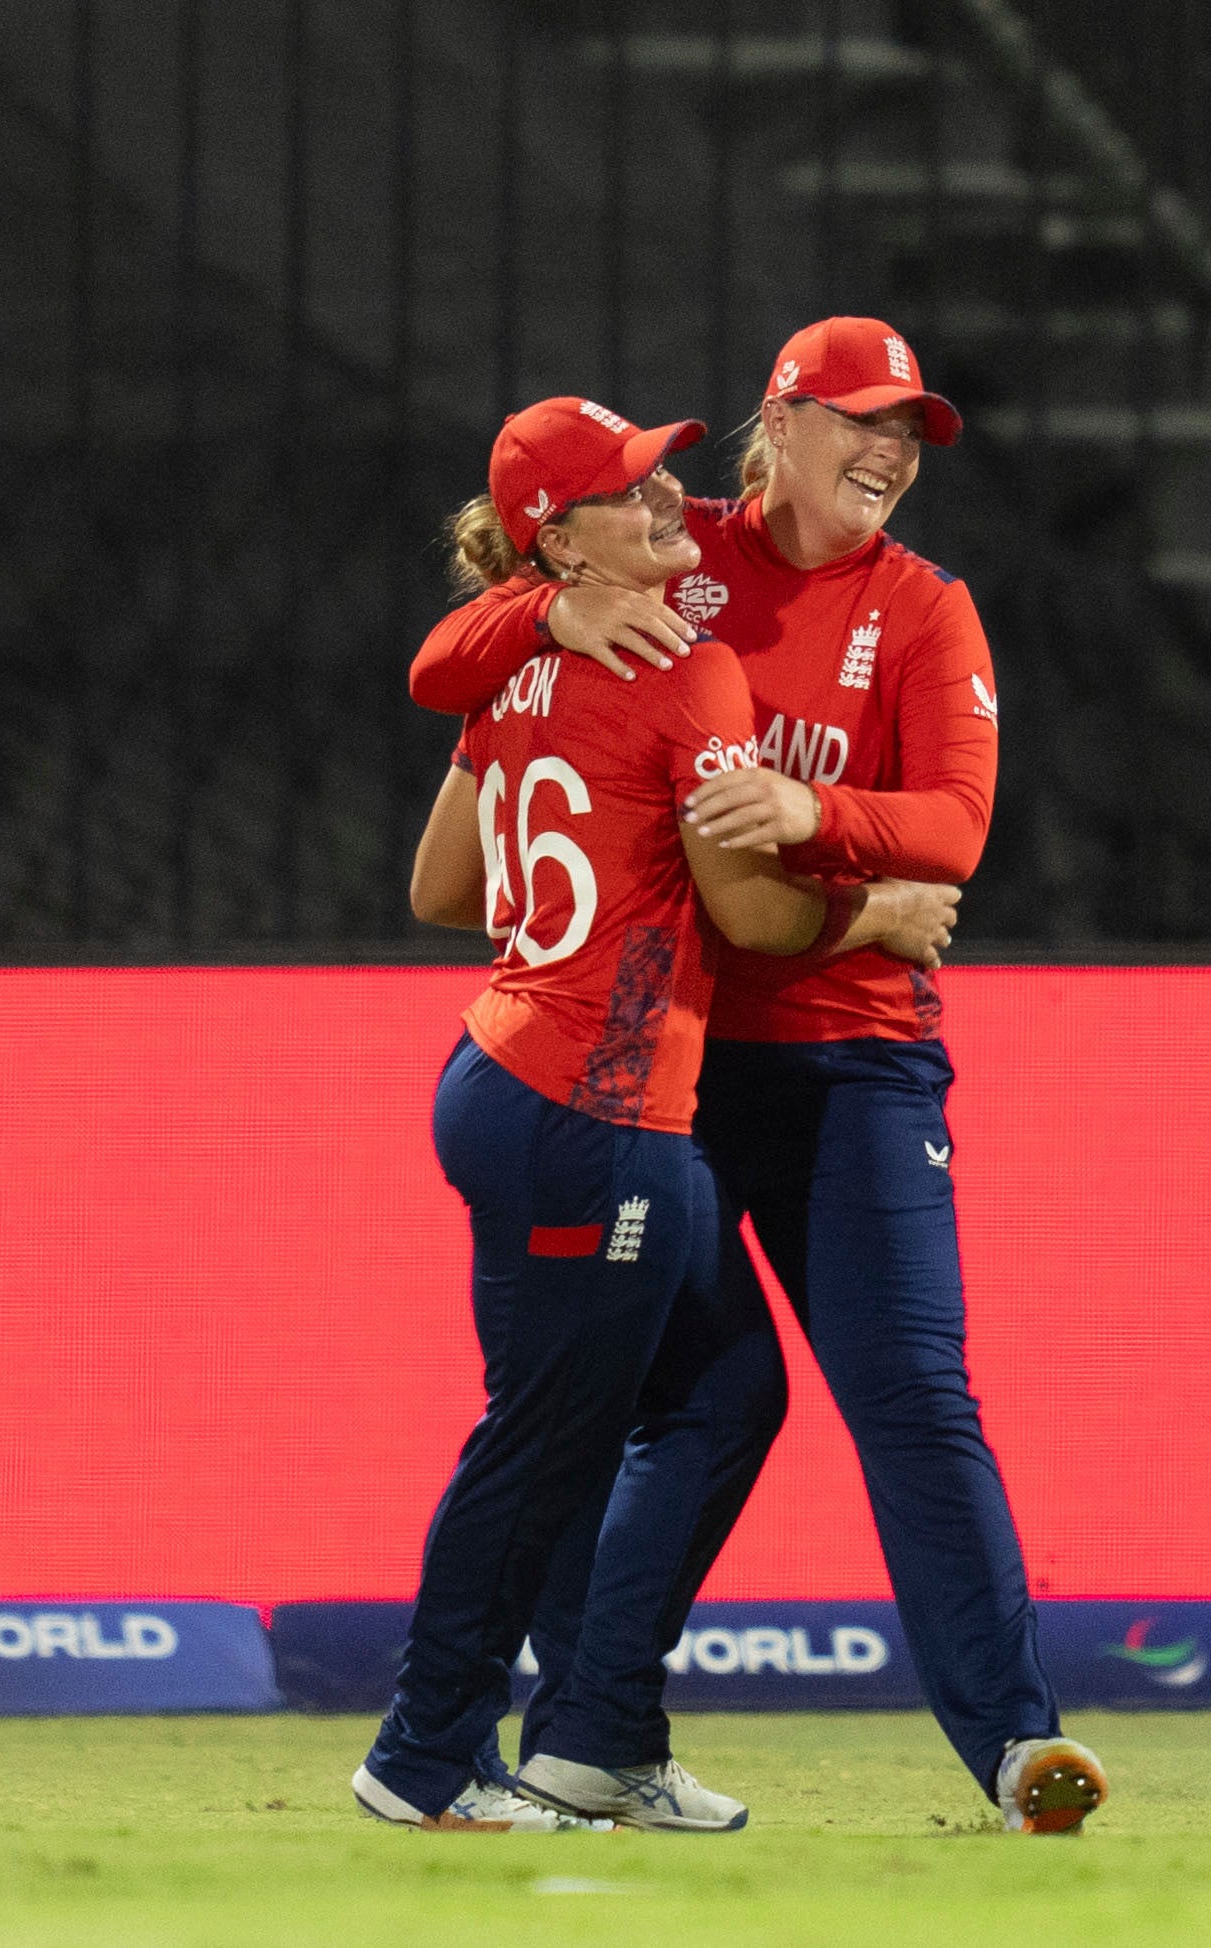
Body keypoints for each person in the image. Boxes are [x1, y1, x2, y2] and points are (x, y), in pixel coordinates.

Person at [405, 320, 1106, 1835]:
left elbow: (959, 832)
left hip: (857, 1066)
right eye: (864, 420)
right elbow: (445, 659)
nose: (894, 453)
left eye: (912, 432)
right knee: (679, 1408)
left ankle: (1014, 1748)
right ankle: (589, 1734)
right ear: (776, 423)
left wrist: (811, 805)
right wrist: (537, 623)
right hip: (677, 1069)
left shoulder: (923, 609)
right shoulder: (664, 558)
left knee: (910, 1397)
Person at [360, 396, 927, 1833]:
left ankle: (596, 1732)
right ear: (561, 536)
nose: (670, 496)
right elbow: (747, 905)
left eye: (664, 470)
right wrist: (875, 906)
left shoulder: (521, 658)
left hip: (503, 1073)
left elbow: (442, 890)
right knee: (543, 1442)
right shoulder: (689, 667)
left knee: (719, 1391)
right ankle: (428, 1760)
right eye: (631, 487)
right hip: (593, 1108)